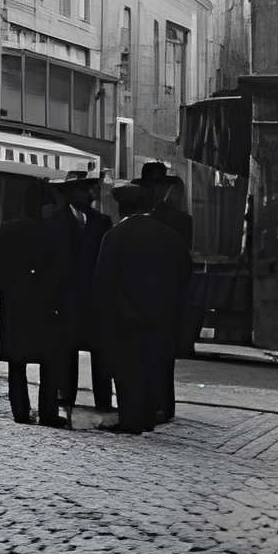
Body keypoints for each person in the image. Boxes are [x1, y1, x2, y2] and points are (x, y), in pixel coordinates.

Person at [89, 182, 188, 434]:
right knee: (153, 366)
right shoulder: (170, 236)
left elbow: (103, 281)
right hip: (161, 317)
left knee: (127, 370)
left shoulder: (114, 237)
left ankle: (130, 418)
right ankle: (148, 416)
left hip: (125, 318)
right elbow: (184, 276)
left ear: (121, 208)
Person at [0, 180, 82, 428]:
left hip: (15, 304)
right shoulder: (54, 235)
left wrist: (5, 292)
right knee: (49, 360)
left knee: (17, 361)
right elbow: (66, 272)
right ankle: (48, 411)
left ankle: (20, 410)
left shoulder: (5, 232)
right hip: (47, 304)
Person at [138, 161, 195, 426]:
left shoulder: (177, 220)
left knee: (161, 351)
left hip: (164, 293)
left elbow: (182, 261)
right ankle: (157, 402)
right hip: (153, 292)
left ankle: (162, 403)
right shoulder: (147, 217)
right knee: (153, 352)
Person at [59, 173, 114, 412]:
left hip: (95, 300)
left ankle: (104, 400)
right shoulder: (55, 222)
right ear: (71, 193)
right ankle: (65, 396)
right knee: (66, 350)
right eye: (85, 190)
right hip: (67, 299)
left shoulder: (102, 222)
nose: (91, 196)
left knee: (100, 352)